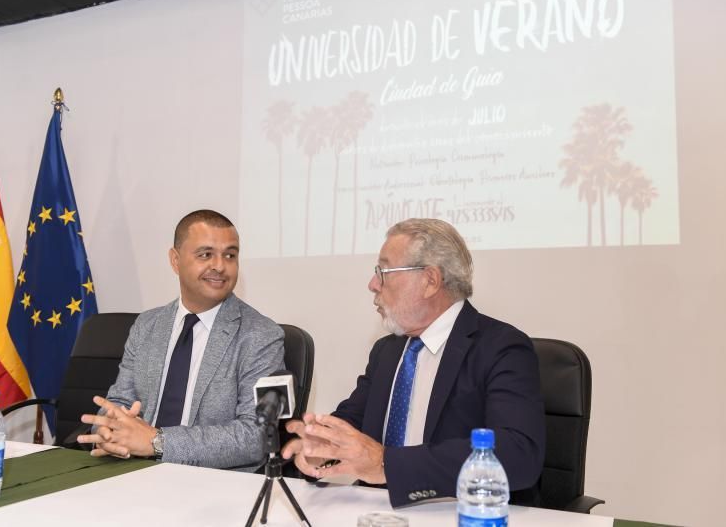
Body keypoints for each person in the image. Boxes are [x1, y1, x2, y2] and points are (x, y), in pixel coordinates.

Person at [282, 218, 545, 507]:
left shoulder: (501, 348)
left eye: (383, 271)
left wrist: (386, 463)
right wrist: (323, 445)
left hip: (458, 512)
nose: (372, 284)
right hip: (377, 512)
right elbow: (354, 421)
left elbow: (517, 454)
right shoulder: (388, 350)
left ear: (430, 281)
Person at [78, 210, 284, 469]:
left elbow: (254, 436)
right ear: (175, 261)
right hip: (134, 472)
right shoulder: (147, 326)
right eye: (205, 254)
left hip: (214, 482)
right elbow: (121, 401)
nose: (220, 265)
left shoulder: (260, 336)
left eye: (230, 255)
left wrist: (157, 441)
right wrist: (111, 430)